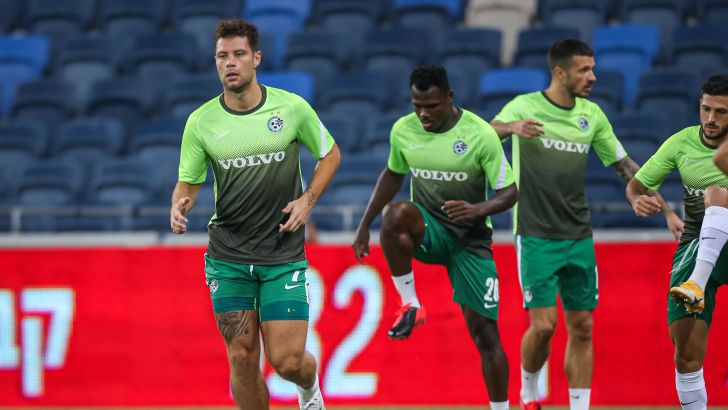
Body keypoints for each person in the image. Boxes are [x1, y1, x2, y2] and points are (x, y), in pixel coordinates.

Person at [489, 39, 682, 410]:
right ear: (560, 73)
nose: (593, 77)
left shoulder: (592, 115)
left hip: (578, 235)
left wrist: (666, 211)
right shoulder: (525, 106)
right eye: (584, 70)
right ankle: (528, 390)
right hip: (535, 233)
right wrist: (512, 127)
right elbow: (485, 132)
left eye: (592, 69)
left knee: (582, 327)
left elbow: (628, 168)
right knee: (544, 326)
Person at [170, 18, 340, 410]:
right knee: (242, 357)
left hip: (281, 254)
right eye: (222, 56)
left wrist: (308, 200)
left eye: (238, 54)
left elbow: (330, 154)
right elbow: (188, 183)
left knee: (287, 362)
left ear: (256, 58)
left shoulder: (291, 108)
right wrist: (179, 204)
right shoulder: (200, 122)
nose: (230, 63)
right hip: (228, 257)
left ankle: (309, 389)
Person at [352, 65, 518, 410]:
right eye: (417, 106)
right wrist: (365, 224)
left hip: (470, 239)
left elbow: (510, 192)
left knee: (486, 335)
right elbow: (393, 175)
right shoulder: (404, 130)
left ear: (449, 97)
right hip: (429, 230)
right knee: (395, 214)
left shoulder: (480, 134)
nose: (423, 114)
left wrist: (477, 209)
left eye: (431, 106)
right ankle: (410, 303)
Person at [627, 75, 728, 410]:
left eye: (721, 112)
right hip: (698, 242)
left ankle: (696, 283)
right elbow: (637, 185)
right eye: (706, 109)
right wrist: (641, 202)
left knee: (717, 195)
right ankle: (697, 282)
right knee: (685, 356)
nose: (711, 119)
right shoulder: (681, 142)